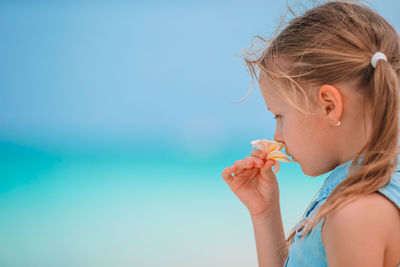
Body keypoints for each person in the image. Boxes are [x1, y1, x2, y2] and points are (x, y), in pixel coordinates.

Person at [221, 1, 400, 266]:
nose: (277, 135)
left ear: (329, 106)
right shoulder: (370, 190)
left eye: (280, 116)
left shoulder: (354, 214)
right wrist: (265, 213)